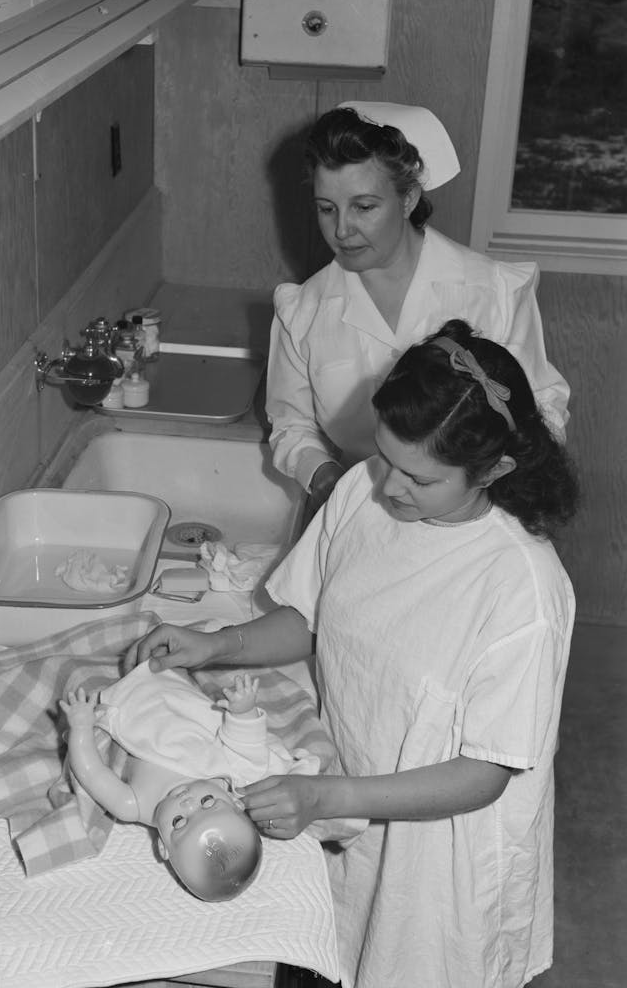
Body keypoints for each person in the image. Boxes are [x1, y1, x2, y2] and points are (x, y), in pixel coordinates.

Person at [125, 319, 580, 988]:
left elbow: (485, 773)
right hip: (342, 798)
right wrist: (216, 646)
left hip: (440, 861)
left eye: (419, 478)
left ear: (494, 469)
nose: (389, 486)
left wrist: (330, 794)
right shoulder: (362, 495)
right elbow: (312, 619)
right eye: (386, 456)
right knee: (330, 952)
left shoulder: (521, 591)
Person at [266, 101, 571, 516]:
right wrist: (326, 479)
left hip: (472, 519)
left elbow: (542, 412)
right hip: (359, 510)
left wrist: (480, 499)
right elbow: (292, 425)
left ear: (408, 197)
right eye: (326, 208)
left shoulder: (494, 291)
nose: (341, 230)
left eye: (364, 207)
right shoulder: (302, 311)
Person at [59, 665, 319, 901]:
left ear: (163, 846)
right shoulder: (226, 774)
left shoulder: (134, 804)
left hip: (127, 703)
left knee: (83, 680)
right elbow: (247, 743)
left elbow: (91, 772)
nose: (188, 803)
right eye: (208, 802)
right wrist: (244, 710)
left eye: (179, 822)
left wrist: (81, 728)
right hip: (175, 690)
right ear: (235, 802)